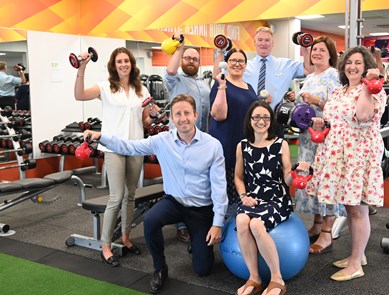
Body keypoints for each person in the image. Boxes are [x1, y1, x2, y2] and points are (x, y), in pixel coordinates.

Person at [84, 94, 228, 294]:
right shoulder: (162, 140)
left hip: (201, 208)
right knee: (151, 220)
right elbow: (130, 146)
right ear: (172, 118)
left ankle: (197, 241)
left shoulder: (212, 145)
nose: (182, 118)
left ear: (195, 115)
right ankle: (160, 268)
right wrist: (101, 136)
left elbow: (220, 187)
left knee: (203, 270)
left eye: (187, 113)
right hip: (174, 201)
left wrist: (217, 223)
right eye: (178, 114)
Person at [304, 46, 386, 281]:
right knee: (350, 208)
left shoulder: (373, 91)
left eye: (358, 63)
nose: (352, 66)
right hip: (337, 153)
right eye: (349, 62)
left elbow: (362, 116)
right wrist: (322, 124)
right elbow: (334, 120)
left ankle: (355, 264)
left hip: (358, 156)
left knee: (358, 209)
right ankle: (357, 256)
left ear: (367, 66)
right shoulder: (339, 91)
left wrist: (368, 86)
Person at [74, 47, 152, 267]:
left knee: (131, 196)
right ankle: (105, 245)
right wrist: (81, 68)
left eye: (126, 61)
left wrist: (152, 116)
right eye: (119, 61)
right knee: (116, 197)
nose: (123, 64)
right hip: (113, 149)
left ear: (132, 64)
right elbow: (79, 95)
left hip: (135, 147)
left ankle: (126, 237)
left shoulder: (141, 90)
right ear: (114, 65)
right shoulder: (105, 87)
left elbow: (145, 121)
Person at [163, 34, 224, 243]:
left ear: (199, 63)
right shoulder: (175, 80)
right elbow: (170, 70)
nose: (191, 61)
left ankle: (202, 221)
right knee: (181, 183)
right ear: (182, 61)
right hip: (179, 143)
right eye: (187, 58)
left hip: (200, 141)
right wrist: (180, 47)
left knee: (200, 183)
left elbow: (218, 78)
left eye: (195, 59)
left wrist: (221, 52)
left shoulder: (205, 84)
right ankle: (181, 226)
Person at [234, 100, 292, 295]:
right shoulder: (242, 146)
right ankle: (255, 277)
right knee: (241, 220)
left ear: (271, 120)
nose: (261, 121)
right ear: (250, 120)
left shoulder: (280, 144)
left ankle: (277, 279)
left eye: (265, 117)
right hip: (253, 197)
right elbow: (238, 177)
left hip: (277, 198)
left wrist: (296, 173)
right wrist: (243, 196)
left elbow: (287, 177)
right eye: (256, 117)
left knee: (256, 224)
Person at [293, 36, 343, 254]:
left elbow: (339, 107)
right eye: (314, 50)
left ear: (330, 54)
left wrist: (317, 102)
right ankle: (316, 223)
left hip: (326, 139)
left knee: (326, 181)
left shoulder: (335, 77)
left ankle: (327, 232)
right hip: (307, 139)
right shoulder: (310, 76)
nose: (317, 53)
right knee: (310, 179)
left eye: (322, 50)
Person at [209, 48, 258, 215]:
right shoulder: (220, 84)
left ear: (245, 65)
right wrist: (222, 88)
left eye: (241, 61)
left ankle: (240, 225)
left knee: (243, 186)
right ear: (226, 64)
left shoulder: (249, 87)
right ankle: (222, 228)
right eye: (233, 60)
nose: (237, 64)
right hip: (226, 143)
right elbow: (218, 115)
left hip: (245, 144)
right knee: (225, 190)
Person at [243, 26, 314, 110]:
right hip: (248, 116)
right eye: (260, 40)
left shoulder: (285, 65)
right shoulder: (243, 66)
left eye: (267, 40)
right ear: (254, 42)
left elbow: (309, 70)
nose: (263, 43)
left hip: (276, 118)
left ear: (273, 43)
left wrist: (305, 47)